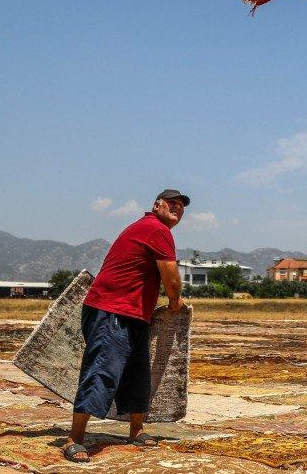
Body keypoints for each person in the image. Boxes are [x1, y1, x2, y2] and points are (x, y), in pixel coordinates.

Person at [63, 189, 189, 463]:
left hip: (132, 313)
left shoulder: (151, 228)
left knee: (138, 373)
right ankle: (75, 438)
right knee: (102, 370)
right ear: (156, 206)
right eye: (172, 204)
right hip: (111, 309)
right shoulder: (156, 229)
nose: (178, 209)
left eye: (181, 207)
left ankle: (136, 431)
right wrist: (176, 301)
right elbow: (170, 275)